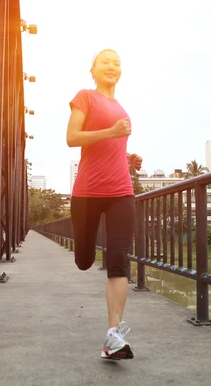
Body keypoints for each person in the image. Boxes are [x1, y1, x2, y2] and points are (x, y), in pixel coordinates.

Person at [66, 49, 143, 360]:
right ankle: (83, 253)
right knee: (84, 260)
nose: (112, 66)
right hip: (86, 192)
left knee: (119, 260)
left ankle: (114, 335)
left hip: (121, 191)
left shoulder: (122, 108)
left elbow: (110, 147)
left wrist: (128, 158)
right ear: (93, 70)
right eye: (105, 62)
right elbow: (72, 137)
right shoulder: (85, 97)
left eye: (117, 63)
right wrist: (111, 132)